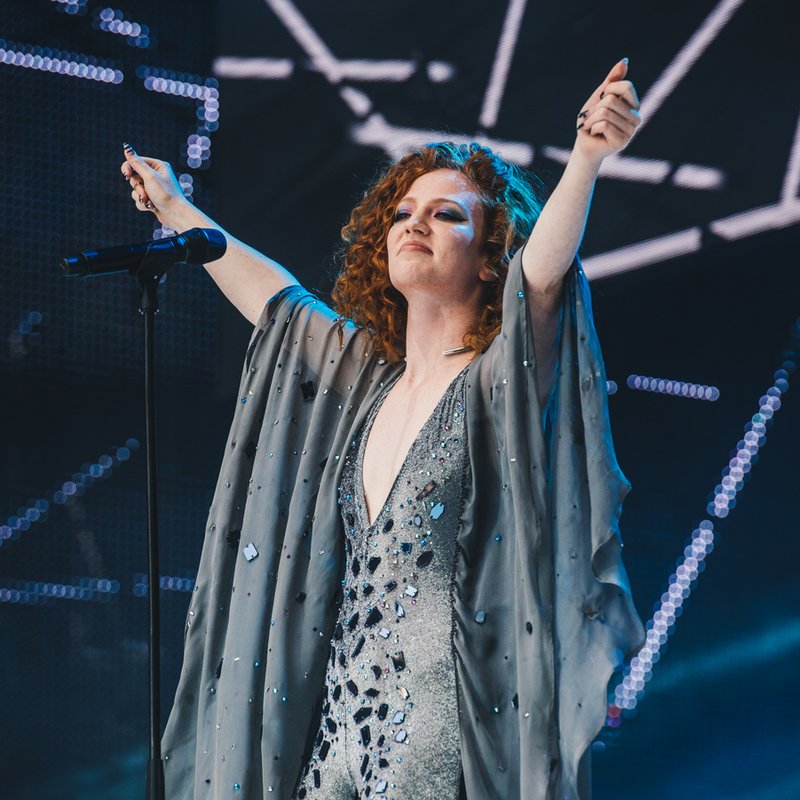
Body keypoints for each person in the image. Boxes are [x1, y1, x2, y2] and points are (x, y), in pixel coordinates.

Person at [121, 59, 645, 800]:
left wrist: (588, 160)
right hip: (338, 729)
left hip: (437, 729)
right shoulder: (365, 380)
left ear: (494, 254)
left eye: (447, 214)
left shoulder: (498, 377)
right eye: (403, 213)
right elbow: (281, 306)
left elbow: (545, 278)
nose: (416, 224)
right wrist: (176, 209)